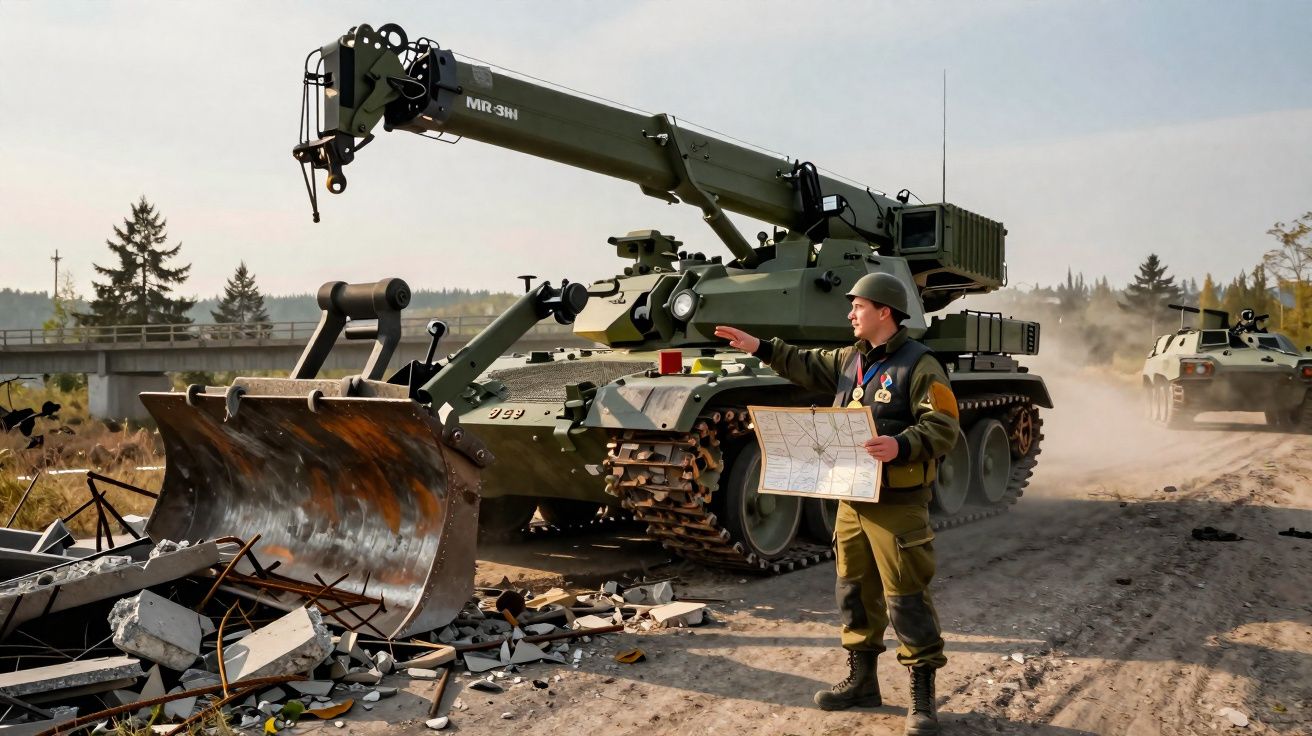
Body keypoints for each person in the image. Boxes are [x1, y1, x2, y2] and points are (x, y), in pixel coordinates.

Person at [714, 272, 960, 736]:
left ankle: (922, 698)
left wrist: (902, 444)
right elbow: (804, 362)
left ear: (884, 311)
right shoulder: (851, 359)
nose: (850, 314)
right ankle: (862, 682)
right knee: (853, 590)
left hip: (896, 501)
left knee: (906, 596)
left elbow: (945, 424)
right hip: (852, 497)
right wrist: (758, 347)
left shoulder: (920, 364)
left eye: (858, 306)